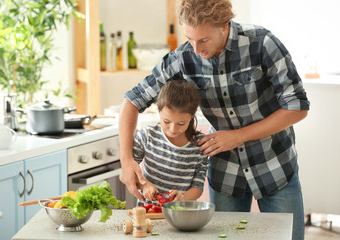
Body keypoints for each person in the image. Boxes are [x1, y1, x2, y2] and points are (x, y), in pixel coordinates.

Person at [119, 0, 310, 239]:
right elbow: (131, 101)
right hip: (225, 173)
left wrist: (238, 136)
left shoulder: (262, 43)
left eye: (204, 40)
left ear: (224, 25)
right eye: (190, 38)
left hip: (274, 165)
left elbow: (297, 107)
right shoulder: (182, 58)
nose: (196, 49)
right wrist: (126, 160)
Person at [132, 80, 209, 203]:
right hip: (149, 213)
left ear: (193, 114)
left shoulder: (200, 145)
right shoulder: (147, 136)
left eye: (181, 123)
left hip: (181, 215)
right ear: (158, 109)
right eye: (166, 121)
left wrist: (182, 198)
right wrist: (144, 185)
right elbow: (128, 174)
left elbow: (198, 186)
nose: (173, 129)